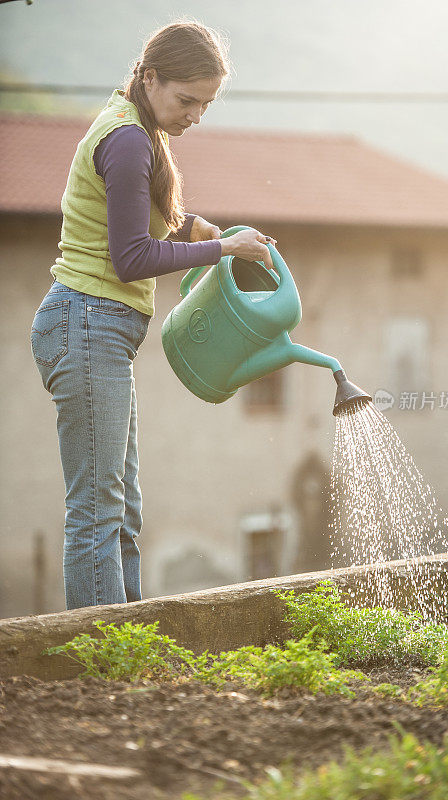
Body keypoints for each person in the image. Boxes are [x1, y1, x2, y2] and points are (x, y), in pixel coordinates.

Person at [30, 20, 277, 611]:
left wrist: (192, 228)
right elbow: (130, 258)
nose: (195, 115)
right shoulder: (128, 139)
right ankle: (103, 653)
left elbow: (137, 219)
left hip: (100, 332)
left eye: (206, 104)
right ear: (149, 77)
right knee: (97, 509)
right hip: (86, 322)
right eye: (186, 99)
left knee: (123, 507)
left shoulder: (143, 130)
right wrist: (222, 249)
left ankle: (129, 642)